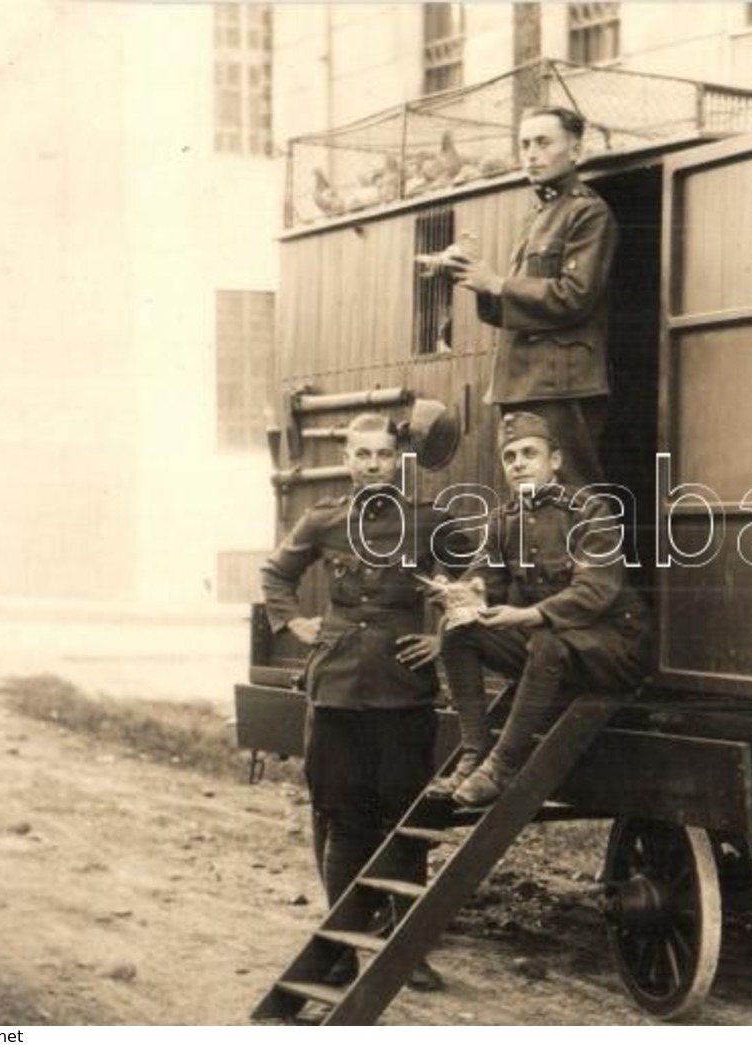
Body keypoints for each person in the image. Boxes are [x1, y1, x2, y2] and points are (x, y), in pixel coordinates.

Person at [260, 411, 452, 990]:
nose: (373, 465)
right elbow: (275, 574)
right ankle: (338, 950)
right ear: (347, 460)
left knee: (404, 818)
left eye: (383, 455)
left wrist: (444, 635)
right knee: (341, 817)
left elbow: (476, 577)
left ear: (399, 460)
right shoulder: (324, 520)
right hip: (339, 688)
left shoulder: (429, 522)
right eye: (361, 455)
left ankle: (404, 949)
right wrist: (293, 624)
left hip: (402, 689)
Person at [431, 411, 651, 807]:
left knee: (546, 641)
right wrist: (465, 592)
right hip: (552, 648)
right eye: (509, 457)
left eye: (529, 453)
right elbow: (487, 577)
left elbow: (593, 592)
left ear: (555, 461)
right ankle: (474, 751)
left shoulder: (589, 511)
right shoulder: (503, 520)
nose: (518, 464)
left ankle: (502, 766)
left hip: (613, 648)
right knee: (456, 631)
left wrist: (526, 616)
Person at [442, 105, 618, 487]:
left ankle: (596, 550)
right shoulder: (538, 214)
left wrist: (498, 284)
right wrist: (476, 278)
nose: (531, 154)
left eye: (543, 142)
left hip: (560, 384)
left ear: (574, 150)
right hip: (522, 382)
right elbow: (509, 310)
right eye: (524, 145)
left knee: (572, 492)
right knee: (530, 497)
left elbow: (575, 296)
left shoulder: (588, 213)